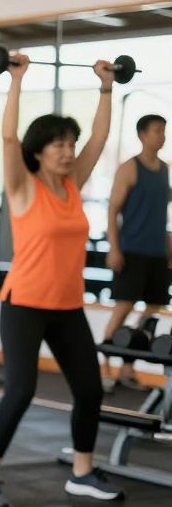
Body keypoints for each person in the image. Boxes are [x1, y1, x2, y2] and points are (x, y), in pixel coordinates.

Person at [0, 53, 124, 507]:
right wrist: (16, 81)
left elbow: (101, 136)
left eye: (70, 143)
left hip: (67, 305)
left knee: (90, 390)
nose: (69, 150)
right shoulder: (23, 186)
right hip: (25, 303)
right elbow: (7, 136)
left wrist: (106, 87)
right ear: (39, 150)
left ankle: (81, 472)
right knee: (20, 391)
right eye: (59, 143)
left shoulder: (73, 184)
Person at [101, 114, 170, 391]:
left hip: (156, 252)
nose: (161, 136)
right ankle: (105, 368)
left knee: (152, 310)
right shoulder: (129, 168)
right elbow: (112, 210)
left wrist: (169, 249)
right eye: (156, 131)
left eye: (164, 131)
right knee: (123, 309)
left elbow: (162, 215)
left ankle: (127, 368)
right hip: (131, 250)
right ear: (142, 134)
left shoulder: (165, 169)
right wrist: (114, 249)